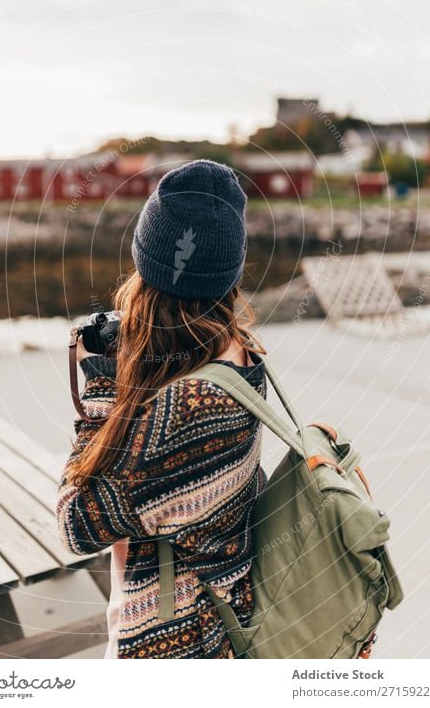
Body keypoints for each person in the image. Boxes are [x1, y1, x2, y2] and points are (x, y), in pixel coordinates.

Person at [56, 159, 269, 659]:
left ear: (145, 265)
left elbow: (75, 523)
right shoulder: (241, 355)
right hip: (224, 612)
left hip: (176, 644)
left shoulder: (178, 412)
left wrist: (103, 384)